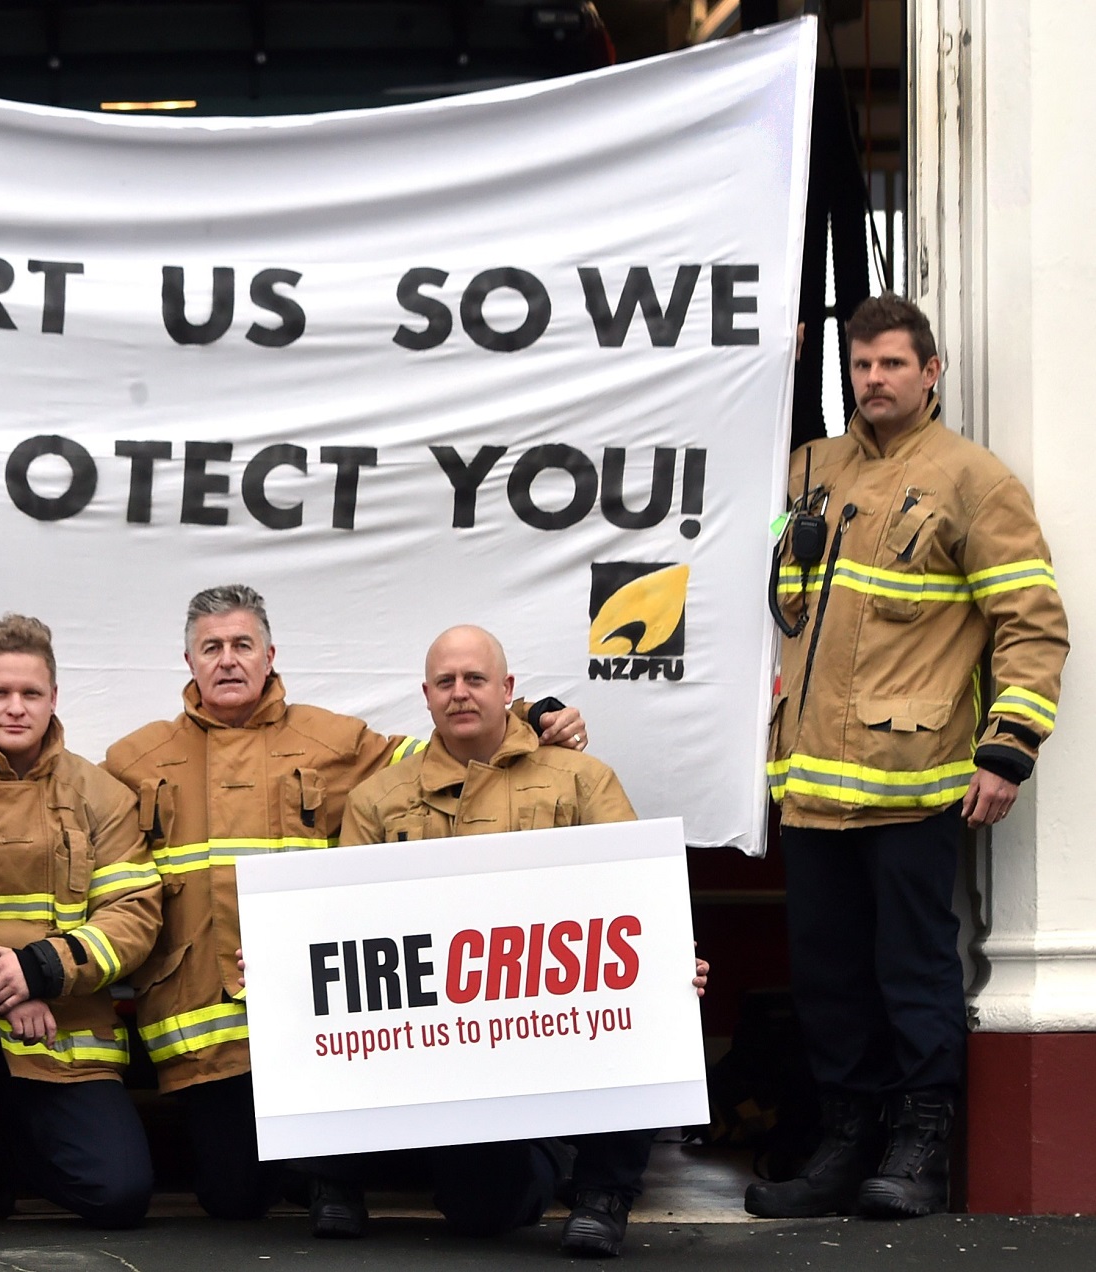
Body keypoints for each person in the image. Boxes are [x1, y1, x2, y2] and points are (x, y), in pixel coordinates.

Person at [99, 584, 589, 1234]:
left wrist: (533, 712)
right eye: (210, 647)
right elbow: (63, 797)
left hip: (310, 1026)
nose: (227, 660)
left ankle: (343, 1170)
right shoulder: (135, 759)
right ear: (187, 661)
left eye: (242, 645)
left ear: (270, 654)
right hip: (207, 1036)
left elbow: (452, 745)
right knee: (235, 1198)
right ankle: (318, 1169)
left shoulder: (332, 740)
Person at [749, 295, 1069, 1220]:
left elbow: (1031, 625)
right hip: (809, 791)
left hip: (916, 788)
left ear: (931, 373)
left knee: (913, 973)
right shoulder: (809, 471)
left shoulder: (975, 481)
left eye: (893, 364)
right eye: (860, 366)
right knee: (829, 981)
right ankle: (845, 1147)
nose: (874, 381)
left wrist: (1008, 750)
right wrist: (768, 368)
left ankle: (918, 1152)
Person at [335, 624, 696, 1258]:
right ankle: (530, 1161)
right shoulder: (377, 801)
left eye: (475, 679)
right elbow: (340, 923)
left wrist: (669, 954)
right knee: (484, 1212)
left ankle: (603, 1195)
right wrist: (288, 959)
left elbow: (635, 891)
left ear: (507, 689)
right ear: (426, 695)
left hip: (567, 1015)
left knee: (649, 1005)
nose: (460, 694)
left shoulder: (582, 779)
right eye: (445, 682)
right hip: (450, 1038)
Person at [0, 614, 163, 1240]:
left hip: (61, 1030)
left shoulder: (103, 794)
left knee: (118, 1196)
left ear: (53, 699)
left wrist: (41, 970)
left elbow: (133, 915)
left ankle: (2, 1153)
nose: (15, 708)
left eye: (31, 694)